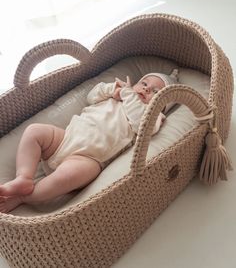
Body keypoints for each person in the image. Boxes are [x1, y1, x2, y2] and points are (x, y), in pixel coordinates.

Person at [0, 69, 178, 213]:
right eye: (144, 83)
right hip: (64, 138)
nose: (147, 89)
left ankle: (24, 197)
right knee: (34, 131)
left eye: (156, 92)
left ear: (162, 107)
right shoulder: (116, 94)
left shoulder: (154, 116)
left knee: (68, 175)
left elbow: (142, 125)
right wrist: (112, 90)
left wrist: (128, 95)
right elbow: (92, 96)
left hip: (88, 159)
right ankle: (24, 177)